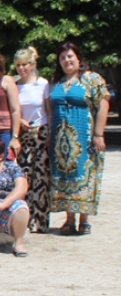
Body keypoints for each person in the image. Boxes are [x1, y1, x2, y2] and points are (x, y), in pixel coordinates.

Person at [48, 42, 109, 236]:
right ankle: (69, 219)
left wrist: (98, 134)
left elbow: (103, 105)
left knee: (84, 176)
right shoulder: (56, 82)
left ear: (78, 59)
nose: (66, 60)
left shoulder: (91, 79)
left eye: (70, 56)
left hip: (84, 137)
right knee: (65, 178)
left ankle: (83, 220)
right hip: (60, 139)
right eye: (62, 58)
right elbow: (50, 110)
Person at [13, 47, 52, 233]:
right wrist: (20, 121)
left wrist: (50, 134)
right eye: (19, 65)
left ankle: (41, 221)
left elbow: (48, 110)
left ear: (32, 64)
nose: (22, 68)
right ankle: (25, 220)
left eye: (25, 65)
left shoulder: (43, 84)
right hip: (23, 134)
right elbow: (12, 110)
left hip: (41, 131)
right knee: (25, 177)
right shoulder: (13, 85)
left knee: (42, 178)